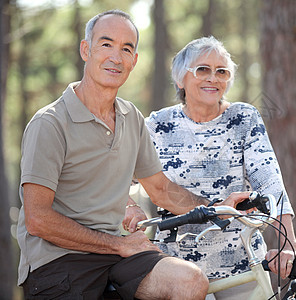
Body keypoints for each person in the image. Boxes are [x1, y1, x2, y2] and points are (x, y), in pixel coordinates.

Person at [17, 11, 248, 300]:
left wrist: (215, 208)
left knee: (190, 281)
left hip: (119, 256)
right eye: (106, 44)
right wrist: (116, 244)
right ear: (86, 50)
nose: (116, 57)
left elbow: (162, 190)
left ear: (134, 60)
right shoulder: (49, 123)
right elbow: (38, 219)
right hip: (59, 260)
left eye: (126, 49)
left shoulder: (131, 118)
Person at [144, 36, 296, 299]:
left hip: (242, 259)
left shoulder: (244, 118)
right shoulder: (157, 124)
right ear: (181, 79)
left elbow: (268, 178)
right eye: (202, 69)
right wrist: (130, 207)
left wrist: (288, 241)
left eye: (221, 71)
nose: (212, 78)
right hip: (178, 266)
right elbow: (120, 175)